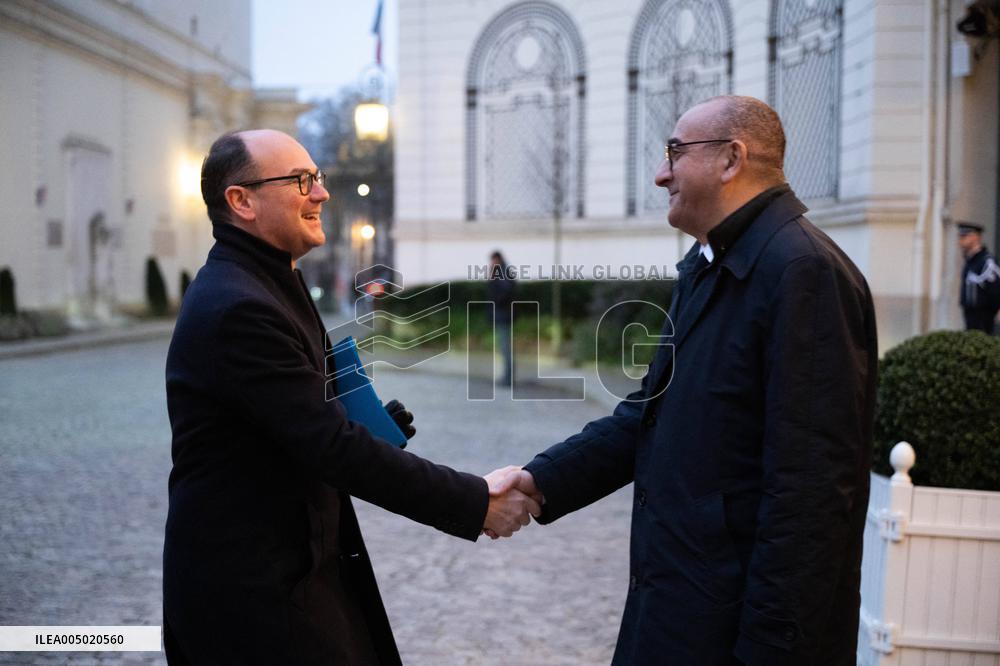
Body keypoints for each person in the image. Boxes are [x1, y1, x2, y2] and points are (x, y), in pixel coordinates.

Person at [501, 96, 878, 664]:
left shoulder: (804, 273)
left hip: (738, 635)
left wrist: (768, 650)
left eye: (675, 152)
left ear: (732, 159)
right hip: (679, 612)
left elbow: (811, 494)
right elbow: (650, 414)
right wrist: (540, 479)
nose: (660, 173)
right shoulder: (710, 265)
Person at [163, 129, 540, 665]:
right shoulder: (238, 306)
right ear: (241, 201)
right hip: (253, 599)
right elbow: (331, 447)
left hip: (294, 576)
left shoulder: (268, 280)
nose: (321, 194)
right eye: (300, 181)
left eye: (316, 178)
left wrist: (369, 426)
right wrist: (475, 501)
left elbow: (298, 423)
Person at [957, 221, 1000, 334]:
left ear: (975, 237)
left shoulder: (987, 262)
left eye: (964, 236)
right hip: (970, 320)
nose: (960, 240)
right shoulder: (970, 262)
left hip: (984, 321)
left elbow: (996, 291)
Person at [487, 250, 516, 386]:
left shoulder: (502, 272)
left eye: (493, 260)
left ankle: (508, 378)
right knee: (505, 348)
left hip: (503, 315)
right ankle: (507, 377)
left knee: (505, 348)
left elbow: (505, 292)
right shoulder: (501, 271)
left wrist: (497, 304)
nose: (491, 263)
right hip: (502, 314)